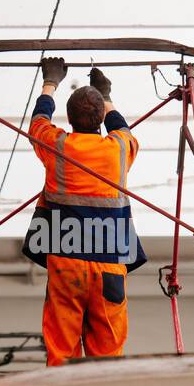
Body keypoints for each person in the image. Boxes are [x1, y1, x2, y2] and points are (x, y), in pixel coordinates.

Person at [21, 57, 146, 366]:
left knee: (61, 352)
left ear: (70, 118)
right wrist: (105, 95)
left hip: (67, 261)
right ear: (100, 118)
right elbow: (122, 127)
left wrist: (50, 82)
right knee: (107, 358)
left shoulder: (58, 147)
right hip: (109, 266)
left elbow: (37, 123)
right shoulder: (117, 149)